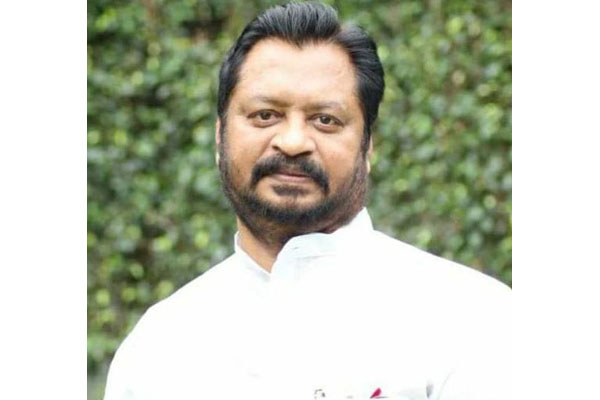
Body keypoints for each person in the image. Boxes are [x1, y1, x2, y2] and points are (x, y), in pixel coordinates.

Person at [104, 2, 510, 399]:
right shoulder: (158, 350)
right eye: (265, 115)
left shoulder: (472, 321)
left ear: (367, 146)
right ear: (219, 137)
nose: (293, 141)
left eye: (325, 120)